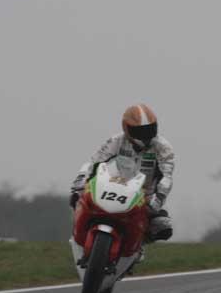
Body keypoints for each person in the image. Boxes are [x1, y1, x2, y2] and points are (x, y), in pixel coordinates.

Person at [69, 103, 175, 243]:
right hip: (111, 187)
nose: (146, 136)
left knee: (163, 226)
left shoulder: (163, 147)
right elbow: (94, 161)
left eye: (150, 129)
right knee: (76, 198)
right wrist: (81, 179)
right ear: (126, 128)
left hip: (145, 196)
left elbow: (167, 175)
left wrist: (159, 197)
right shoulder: (116, 141)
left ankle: (138, 245)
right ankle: (79, 235)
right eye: (140, 131)